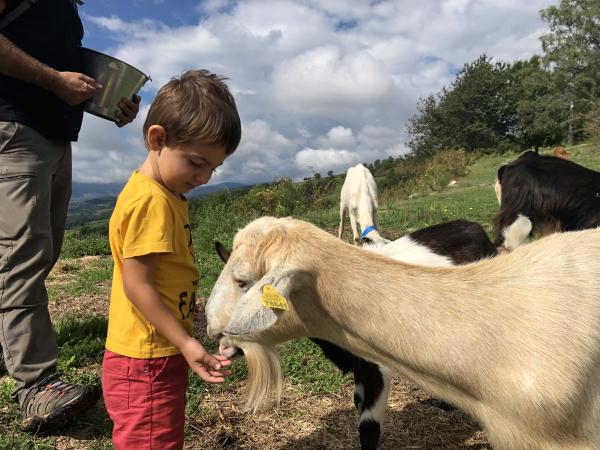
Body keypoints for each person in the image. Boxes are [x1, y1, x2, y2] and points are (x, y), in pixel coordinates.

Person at [0, 0, 140, 433]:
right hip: (16, 129)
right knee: (22, 256)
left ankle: (9, 353)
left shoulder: (65, 9)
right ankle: (36, 383)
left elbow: (65, 68)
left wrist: (111, 102)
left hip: (54, 136)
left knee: (41, 253)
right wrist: (55, 80)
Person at [101, 69, 240, 449]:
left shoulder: (165, 195)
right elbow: (138, 284)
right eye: (197, 163)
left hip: (158, 350)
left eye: (214, 167)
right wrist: (186, 342)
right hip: (146, 358)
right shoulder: (151, 202)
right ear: (157, 139)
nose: (205, 177)